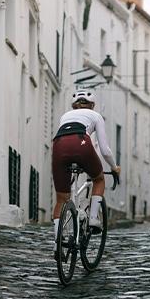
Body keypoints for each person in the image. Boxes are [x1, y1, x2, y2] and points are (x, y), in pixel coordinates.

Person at [52, 89, 120, 245]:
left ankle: (57, 241)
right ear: (92, 105)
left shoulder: (65, 116)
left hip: (58, 145)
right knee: (99, 179)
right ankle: (93, 219)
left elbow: (65, 138)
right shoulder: (96, 116)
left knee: (61, 199)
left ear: (74, 106)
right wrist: (114, 167)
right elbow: (104, 150)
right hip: (81, 143)